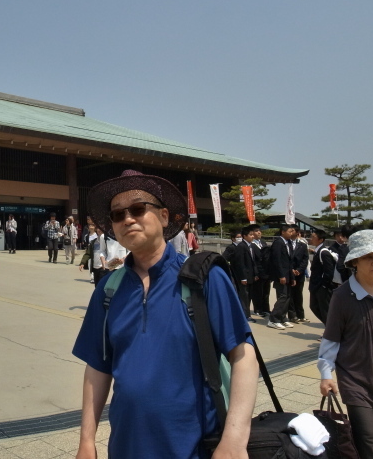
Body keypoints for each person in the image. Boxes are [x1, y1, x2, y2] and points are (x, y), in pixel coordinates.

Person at [72, 170, 257, 459]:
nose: (128, 219)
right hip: (125, 446)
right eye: (118, 215)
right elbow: (98, 367)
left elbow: (243, 356)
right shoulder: (109, 289)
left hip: (194, 447)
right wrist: (87, 440)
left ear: (165, 216)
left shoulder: (203, 279)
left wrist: (234, 440)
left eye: (137, 209)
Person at [318, 229, 373, 459]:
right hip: (355, 380)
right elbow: (331, 337)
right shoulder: (342, 296)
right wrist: (326, 374)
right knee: (368, 442)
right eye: (368, 256)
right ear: (355, 261)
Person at [267, 224, 296, 330]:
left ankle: (282, 318)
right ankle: (273, 319)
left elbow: (290, 262)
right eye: (289, 231)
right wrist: (281, 275)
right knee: (282, 297)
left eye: (292, 231)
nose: (291, 233)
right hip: (281, 275)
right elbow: (277, 260)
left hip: (288, 274)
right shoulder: (278, 243)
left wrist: (292, 277)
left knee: (288, 296)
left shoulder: (288, 243)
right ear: (283, 232)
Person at [308, 229, 337, 326]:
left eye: (313, 237)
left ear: (321, 240)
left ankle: (331, 332)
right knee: (314, 306)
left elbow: (329, 271)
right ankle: (329, 329)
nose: (311, 239)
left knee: (325, 309)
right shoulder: (318, 251)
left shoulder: (323, 252)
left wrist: (324, 285)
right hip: (316, 286)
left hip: (321, 287)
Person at [232, 225, 259, 322]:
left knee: (249, 296)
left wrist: (255, 274)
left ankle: (246, 314)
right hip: (244, 277)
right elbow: (240, 263)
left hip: (251, 276)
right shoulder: (241, 247)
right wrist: (243, 277)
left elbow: (253, 262)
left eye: (253, 235)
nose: (252, 236)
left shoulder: (251, 246)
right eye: (250, 235)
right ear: (244, 236)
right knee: (244, 296)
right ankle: (245, 316)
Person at [289, 227, 309, 323]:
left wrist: (299, 270)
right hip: (289, 273)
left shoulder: (303, 245)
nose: (291, 232)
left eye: (292, 230)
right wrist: (291, 270)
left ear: (297, 233)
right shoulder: (286, 244)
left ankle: (300, 315)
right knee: (290, 295)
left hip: (299, 274)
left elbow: (305, 259)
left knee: (298, 295)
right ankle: (292, 315)